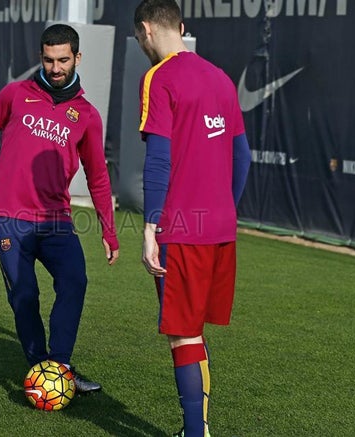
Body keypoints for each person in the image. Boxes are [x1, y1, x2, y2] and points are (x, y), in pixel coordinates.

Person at [0, 24, 119, 393]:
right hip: (8, 214)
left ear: (77, 58)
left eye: (63, 60)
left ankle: (59, 367)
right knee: (25, 295)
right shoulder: (16, 94)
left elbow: (98, 177)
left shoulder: (88, 116)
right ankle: (39, 370)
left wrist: (109, 231)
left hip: (55, 218)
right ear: (40, 57)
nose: (55, 67)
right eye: (48, 60)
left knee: (75, 280)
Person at [133, 0, 251, 435]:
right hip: (219, 227)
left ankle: (195, 433)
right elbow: (243, 157)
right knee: (193, 334)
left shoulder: (158, 77)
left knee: (183, 336)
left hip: (181, 229)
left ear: (146, 30)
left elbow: (158, 158)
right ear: (181, 27)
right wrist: (225, 208)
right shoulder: (221, 78)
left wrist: (149, 227)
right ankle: (194, 429)